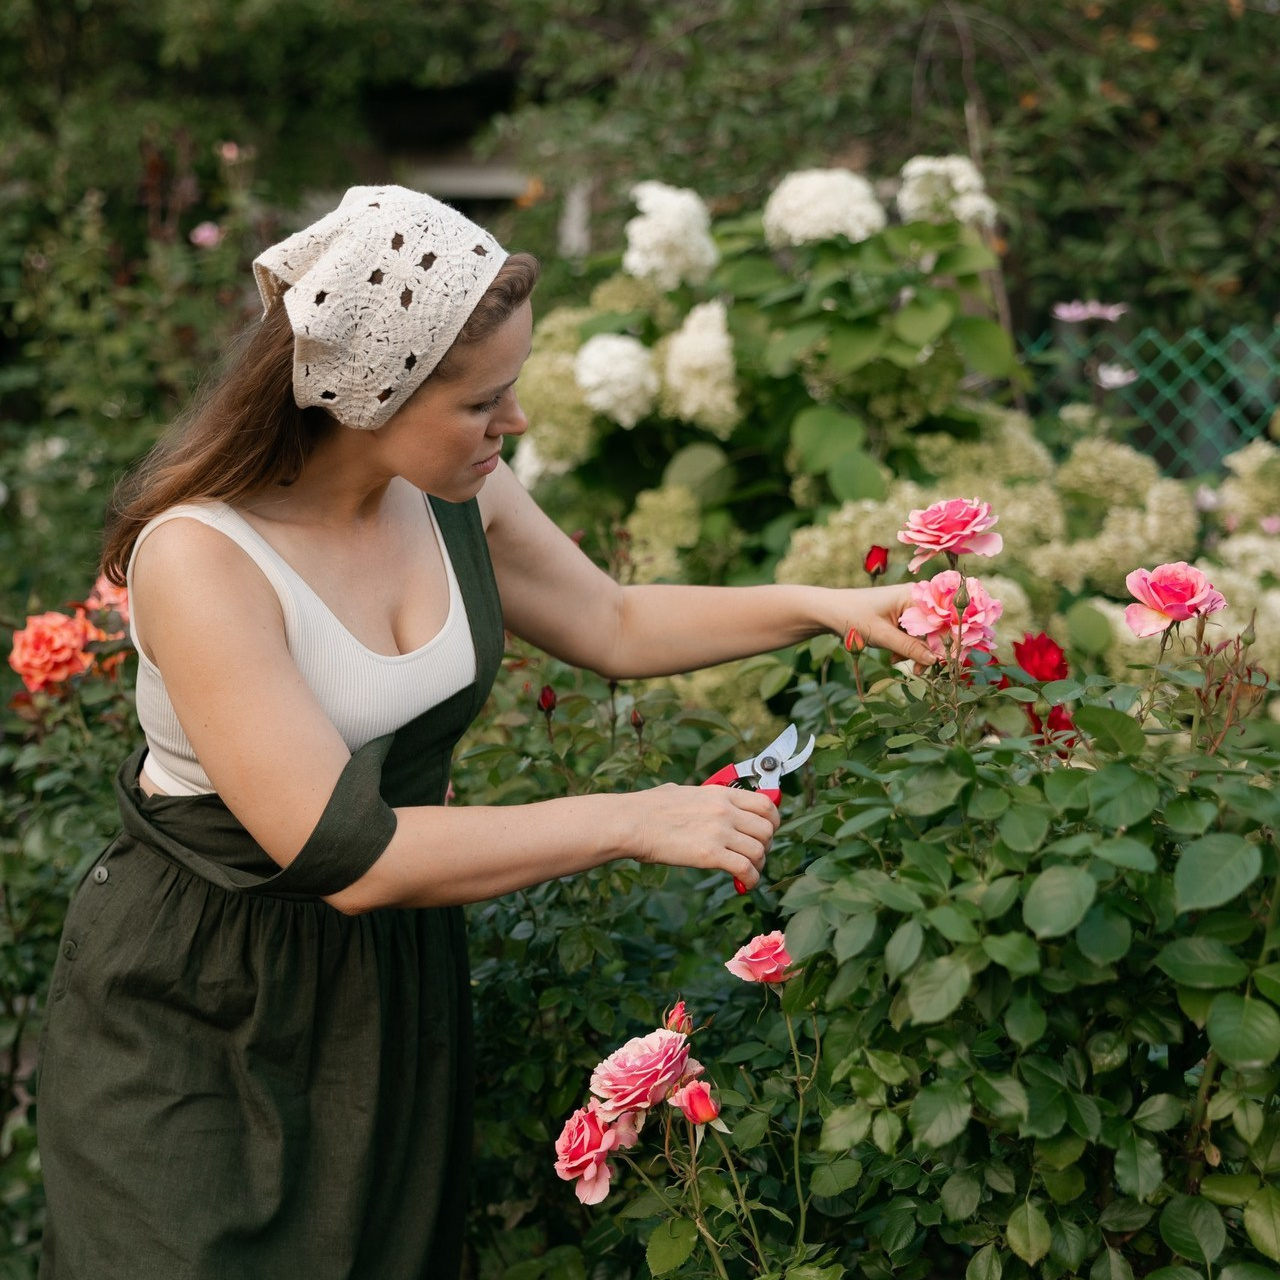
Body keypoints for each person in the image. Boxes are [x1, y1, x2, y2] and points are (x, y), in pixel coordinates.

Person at [35, 185, 936, 1279]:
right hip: (200, 989)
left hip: (382, 984)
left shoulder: (453, 492)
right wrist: (634, 816)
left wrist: (819, 603)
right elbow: (347, 851)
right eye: (482, 402)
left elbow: (610, 619)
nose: (511, 425)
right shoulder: (206, 558)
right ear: (371, 392)